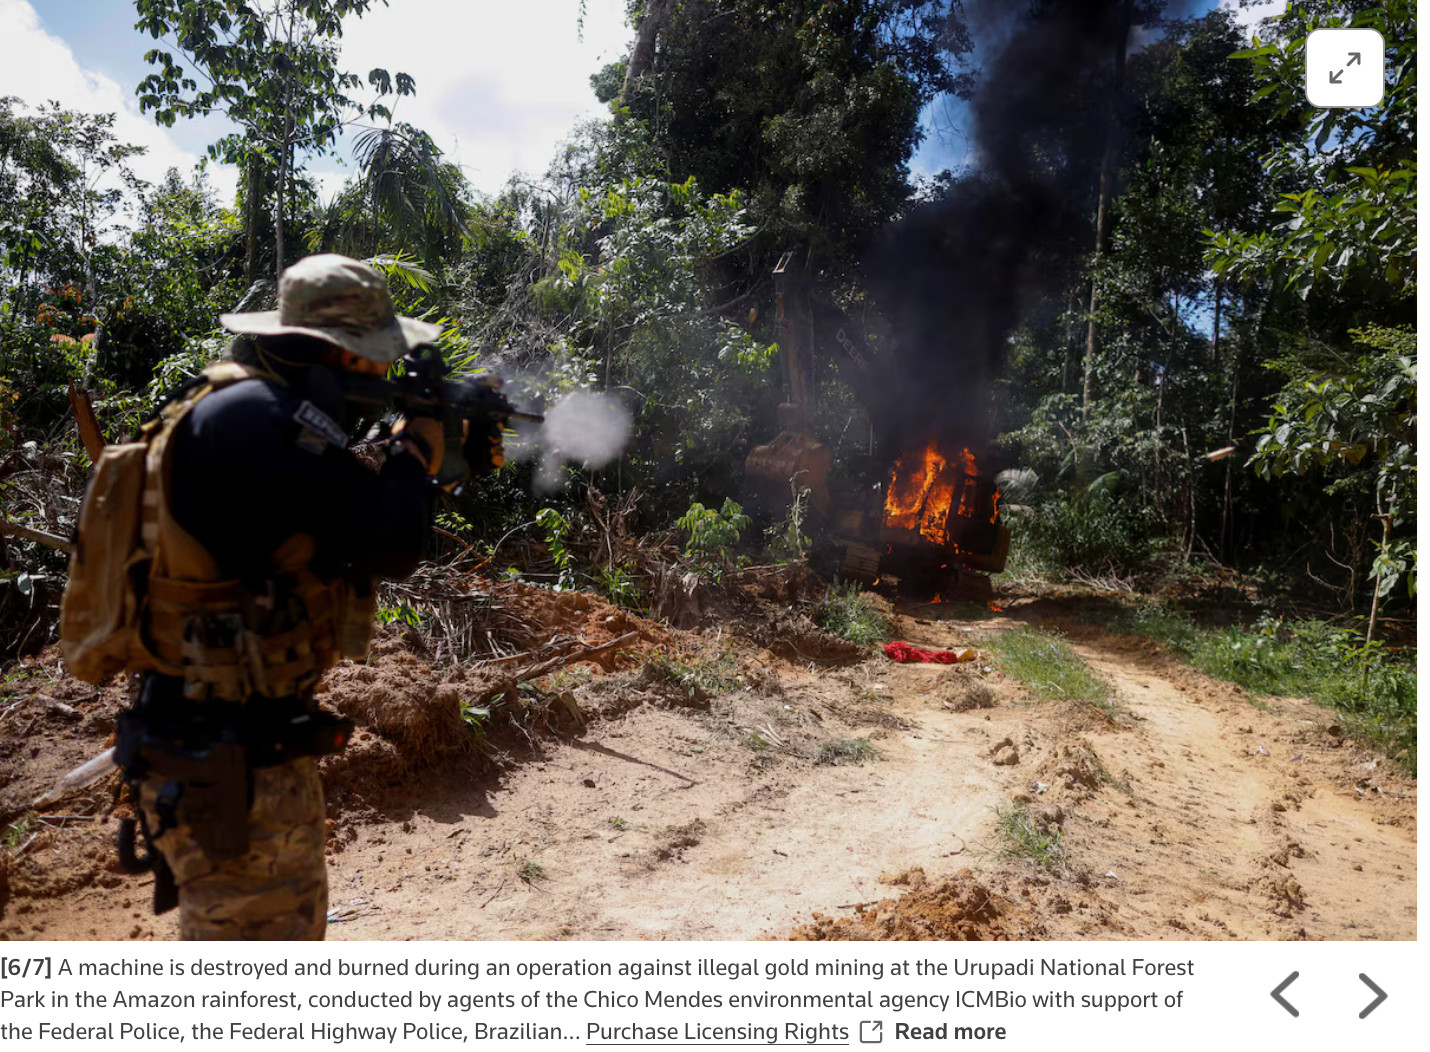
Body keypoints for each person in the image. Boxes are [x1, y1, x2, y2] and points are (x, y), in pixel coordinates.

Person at [109, 254, 471, 940]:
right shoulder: (256, 422)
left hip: (236, 746)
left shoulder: (243, 411)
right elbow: (391, 541)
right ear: (342, 355)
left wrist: (428, 466)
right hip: (229, 763)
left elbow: (338, 520)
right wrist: (416, 452)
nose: (385, 375)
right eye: (376, 359)